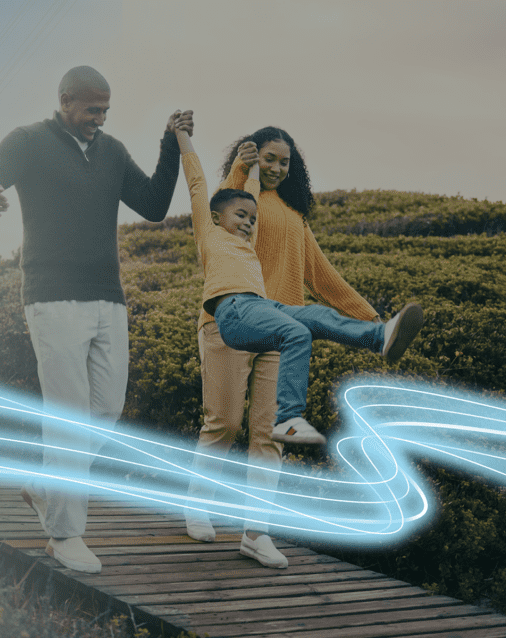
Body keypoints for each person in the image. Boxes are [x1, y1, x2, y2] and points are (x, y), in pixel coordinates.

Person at [0, 65, 192, 574]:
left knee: (106, 409)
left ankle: (43, 485)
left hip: (108, 296)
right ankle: (65, 535)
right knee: (68, 419)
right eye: (91, 110)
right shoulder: (28, 142)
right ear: (65, 101)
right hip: (52, 297)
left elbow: (152, 205)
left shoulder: (111, 152)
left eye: (105, 110)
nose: (99, 120)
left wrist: (170, 145)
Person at [177, 125, 423, 568]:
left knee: (270, 435)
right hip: (228, 322)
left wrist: (373, 320)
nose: (275, 167)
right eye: (268, 158)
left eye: (283, 161)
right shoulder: (239, 199)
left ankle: (256, 532)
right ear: (253, 158)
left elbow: (323, 276)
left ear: (294, 169)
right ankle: (198, 504)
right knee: (224, 423)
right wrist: (240, 166)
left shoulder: (294, 215)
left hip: (281, 328)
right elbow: (220, 205)